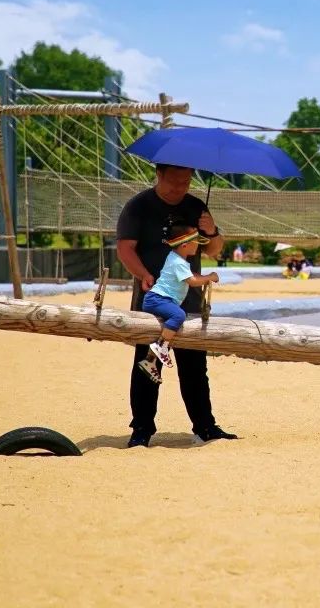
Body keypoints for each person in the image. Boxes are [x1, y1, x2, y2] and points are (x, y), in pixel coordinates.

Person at [116, 164, 238, 448]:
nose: (180, 187)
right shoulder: (138, 206)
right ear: (158, 175)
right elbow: (125, 249)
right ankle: (142, 429)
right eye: (174, 181)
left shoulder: (196, 207)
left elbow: (214, 249)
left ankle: (205, 427)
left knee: (195, 369)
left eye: (186, 182)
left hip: (190, 303)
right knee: (148, 366)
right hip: (154, 302)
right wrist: (143, 274)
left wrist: (212, 231)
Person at [136, 224, 220, 385]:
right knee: (179, 315)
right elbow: (193, 281)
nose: (198, 246)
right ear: (185, 245)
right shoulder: (178, 262)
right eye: (196, 242)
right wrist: (210, 277)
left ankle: (150, 360)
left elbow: (192, 275)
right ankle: (161, 345)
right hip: (157, 299)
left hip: (159, 299)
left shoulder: (176, 258)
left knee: (177, 315)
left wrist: (205, 277)